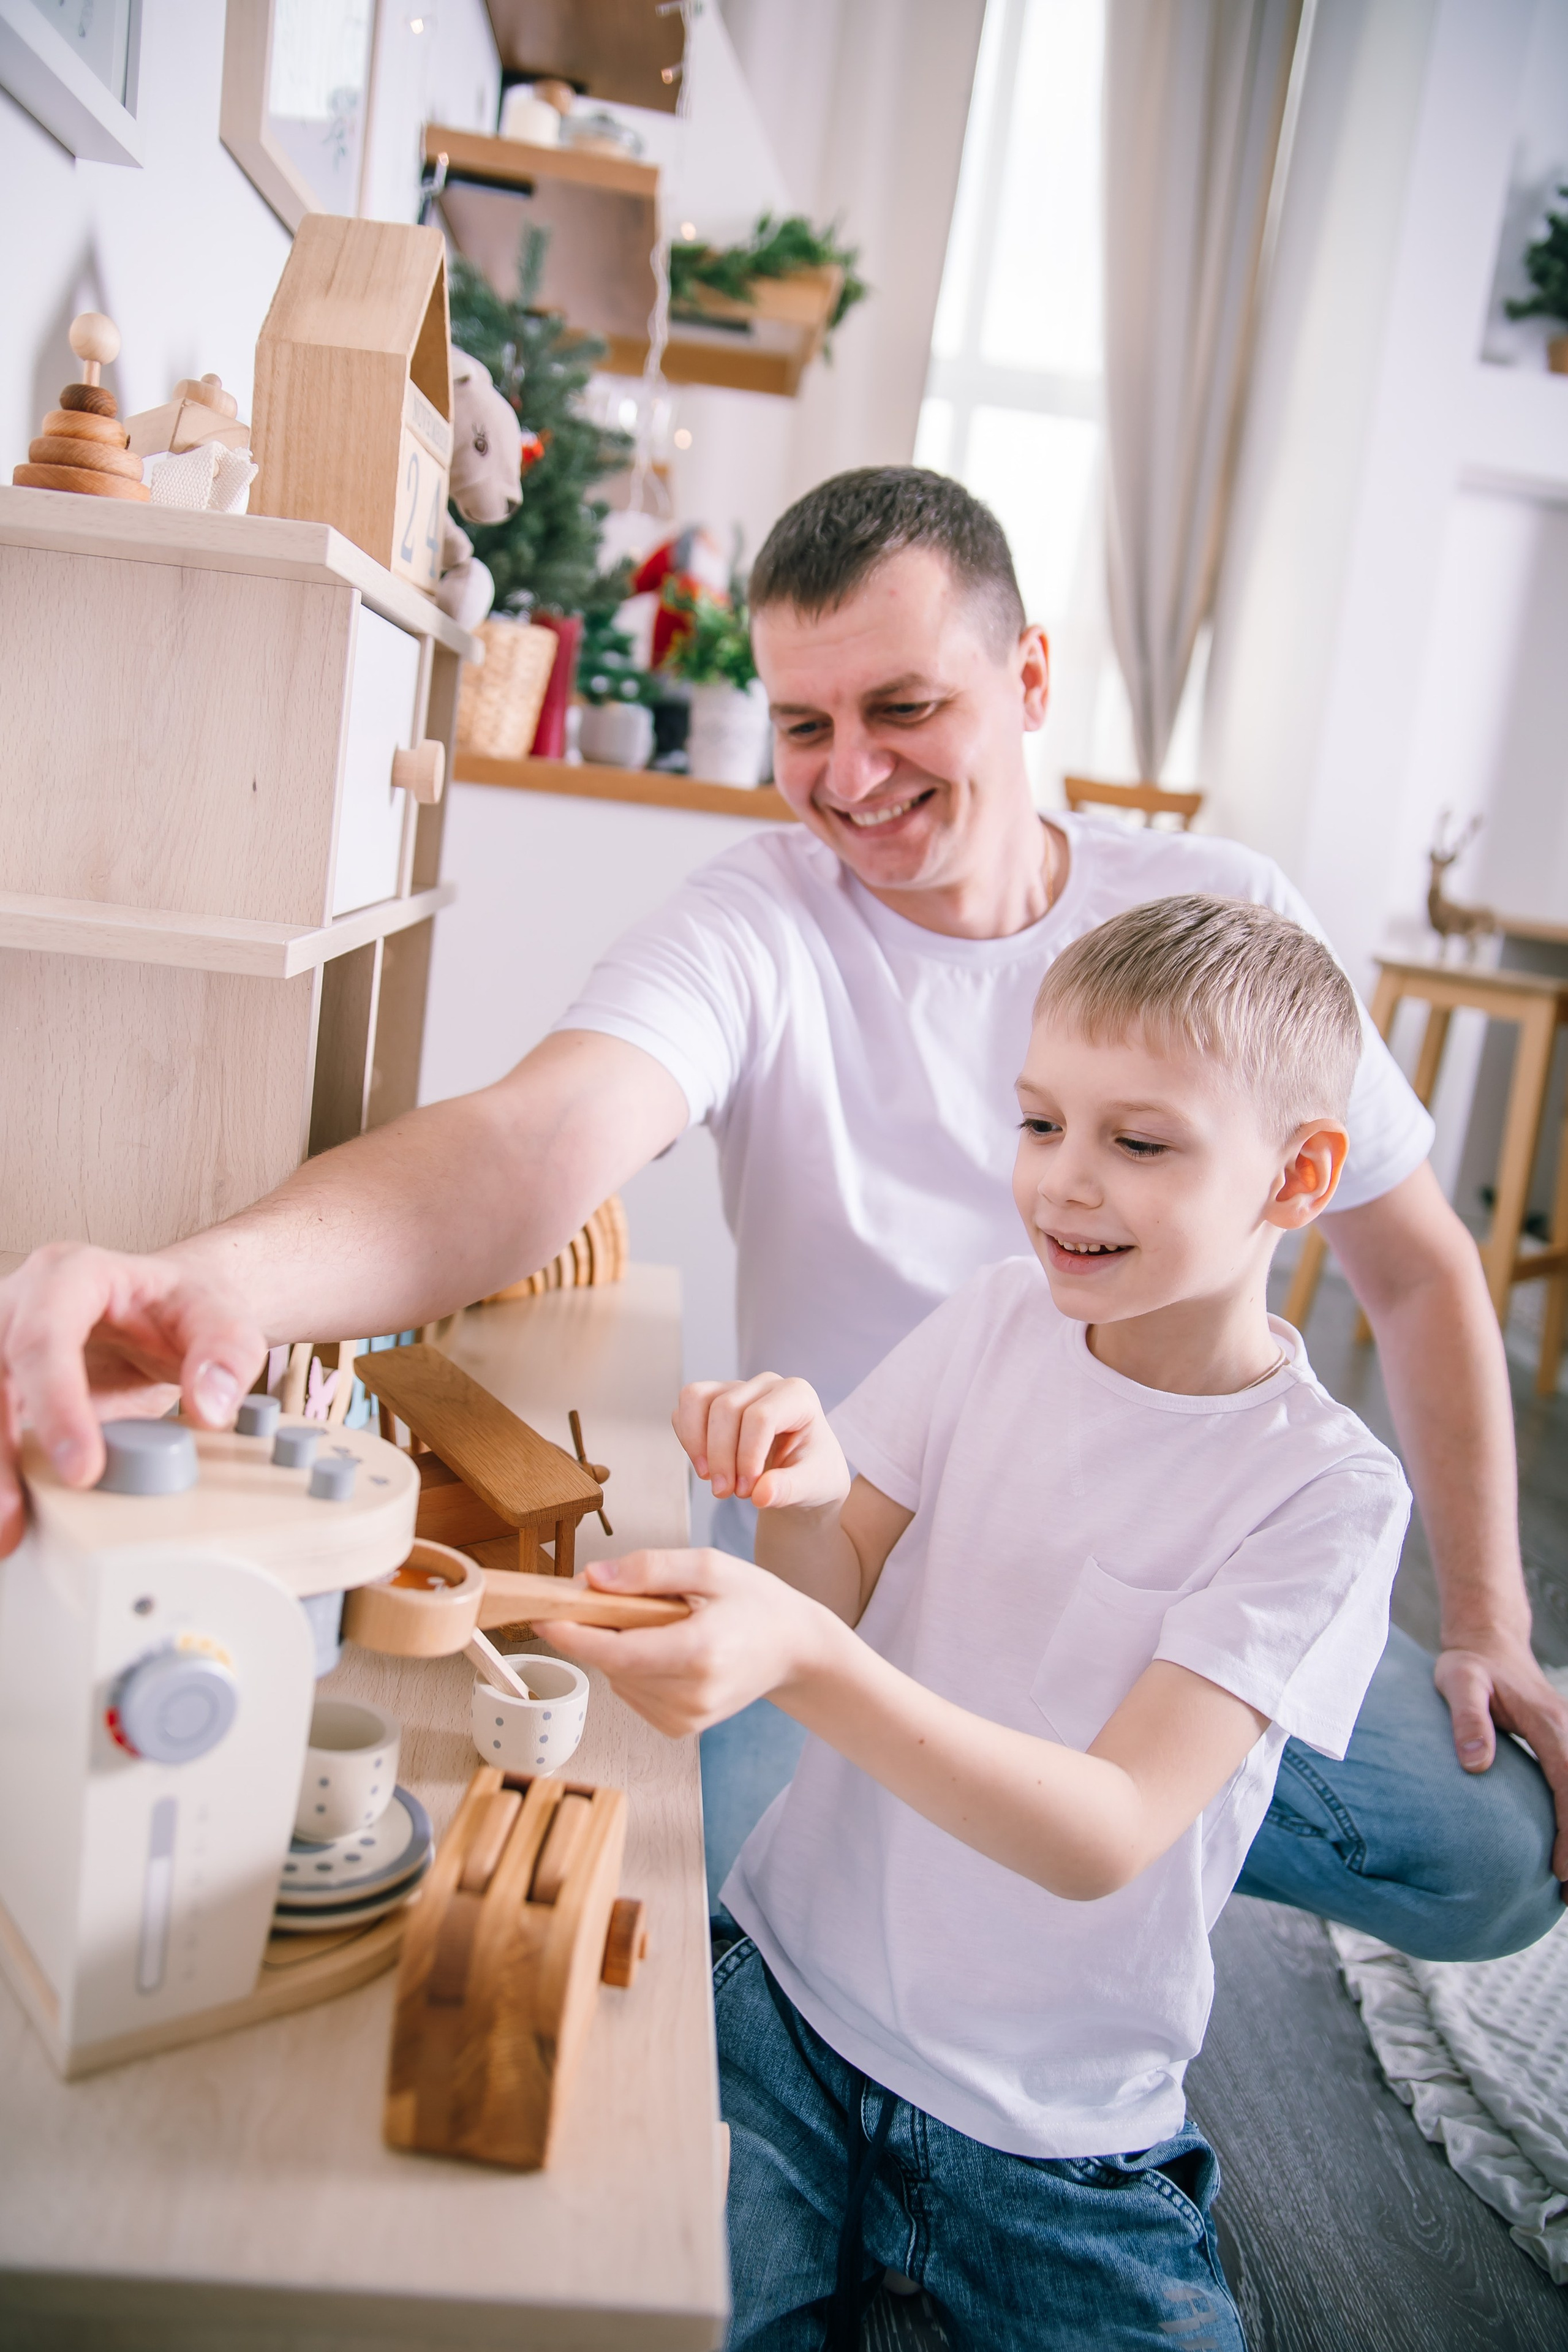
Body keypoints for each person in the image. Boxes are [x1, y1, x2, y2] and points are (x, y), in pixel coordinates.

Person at [0, 470, 1558, 1956]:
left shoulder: (1221, 922)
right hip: (849, 1584)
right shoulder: (758, 924)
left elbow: (1415, 1274)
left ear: (1027, 675)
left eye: (903, 708)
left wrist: (1486, 1614)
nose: (850, 776)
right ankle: (976, 1825)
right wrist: (199, 1284)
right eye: (802, 725)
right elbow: (521, 1147)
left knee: (1500, 1864)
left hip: (1157, 1585)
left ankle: (1021, 1831)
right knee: (716, 1926)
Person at [547, 897, 1412, 2351]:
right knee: (643, 2313)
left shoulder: (1321, 1493)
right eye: (1035, 1123)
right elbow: (823, 1588)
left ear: (1298, 1174)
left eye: (1136, 1144)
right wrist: (801, 1482)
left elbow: (1107, 1827)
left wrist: (810, 1660)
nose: (1061, 1185)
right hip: (782, 2009)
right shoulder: (993, 1319)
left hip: (1048, 2130)